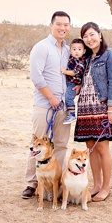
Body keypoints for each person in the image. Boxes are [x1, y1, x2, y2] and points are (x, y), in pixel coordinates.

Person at [23, 11, 73, 200]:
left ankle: (55, 183)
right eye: (59, 24)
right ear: (51, 25)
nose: (62, 28)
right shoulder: (41, 47)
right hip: (45, 104)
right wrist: (51, 98)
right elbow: (36, 77)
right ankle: (31, 183)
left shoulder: (69, 50)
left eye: (66, 24)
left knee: (60, 145)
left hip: (63, 107)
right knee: (38, 144)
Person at [74, 22, 112, 202]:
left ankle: (106, 188)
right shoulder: (86, 58)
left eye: (92, 34)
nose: (89, 39)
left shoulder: (110, 56)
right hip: (85, 107)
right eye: (85, 36)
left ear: (100, 35)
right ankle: (96, 185)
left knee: (102, 148)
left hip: (102, 107)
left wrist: (111, 108)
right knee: (90, 148)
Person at [61, 38, 87, 125]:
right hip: (68, 82)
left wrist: (65, 71)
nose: (76, 51)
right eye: (74, 49)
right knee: (65, 97)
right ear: (70, 50)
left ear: (84, 51)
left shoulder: (81, 61)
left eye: (79, 49)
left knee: (68, 98)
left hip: (73, 83)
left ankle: (72, 114)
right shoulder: (71, 58)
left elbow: (75, 72)